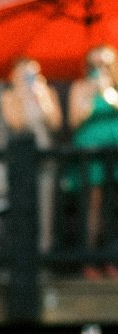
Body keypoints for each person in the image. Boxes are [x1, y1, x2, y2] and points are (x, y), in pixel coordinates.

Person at [65, 46, 118, 257]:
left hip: (114, 155)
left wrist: (109, 93)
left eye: (104, 64)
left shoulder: (114, 89)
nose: (100, 69)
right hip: (91, 156)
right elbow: (74, 121)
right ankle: (91, 256)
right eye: (94, 64)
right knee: (94, 206)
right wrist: (91, 94)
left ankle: (111, 257)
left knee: (112, 205)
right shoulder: (81, 87)